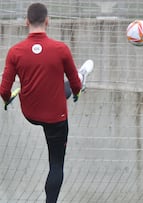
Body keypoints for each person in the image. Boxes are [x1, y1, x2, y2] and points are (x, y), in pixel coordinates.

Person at [0, 3, 89, 203]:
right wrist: (77, 92)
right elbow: (73, 85)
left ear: (26, 22)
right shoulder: (61, 49)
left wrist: (7, 100)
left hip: (30, 113)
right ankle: (85, 77)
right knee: (56, 165)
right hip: (56, 117)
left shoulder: (15, 52)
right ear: (47, 21)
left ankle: (82, 78)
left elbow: (4, 90)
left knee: (55, 88)